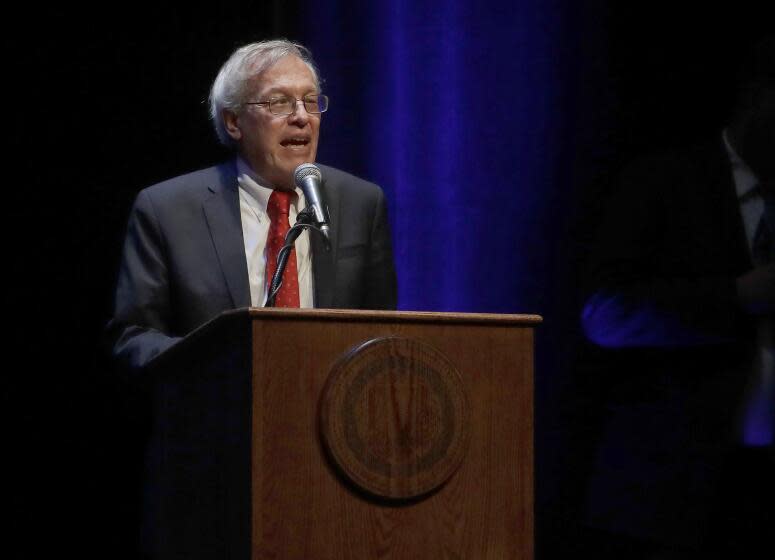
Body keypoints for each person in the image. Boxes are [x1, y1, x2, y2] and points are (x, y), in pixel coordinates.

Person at [580, 37, 774, 558]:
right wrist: (735, 295)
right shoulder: (664, 182)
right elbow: (607, 316)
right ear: (759, 96)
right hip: (678, 489)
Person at [108, 40, 397, 371]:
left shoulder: (361, 203)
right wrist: (219, 369)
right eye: (279, 103)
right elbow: (133, 337)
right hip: (220, 414)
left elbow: (384, 333)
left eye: (310, 101)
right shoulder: (167, 211)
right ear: (234, 122)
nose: (302, 117)